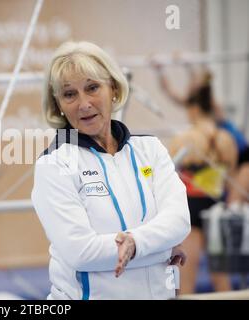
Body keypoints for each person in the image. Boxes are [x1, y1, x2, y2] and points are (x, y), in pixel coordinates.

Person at [31, 41, 191, 300]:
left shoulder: (149, 149)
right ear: (58, 104)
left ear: (114, 89)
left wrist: (137, 244)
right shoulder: (54, 164)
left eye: (92, 88)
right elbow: (81, 253)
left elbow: (179, 221)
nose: (84, 104)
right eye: (69, 94)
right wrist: (161, 248)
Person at [155, 61, 239, 293]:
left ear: (192, 108)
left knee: (186, 284)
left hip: (191, 211)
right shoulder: (226, 138)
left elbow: (165, 177)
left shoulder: (185, 138)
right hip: (217, 207)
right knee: (223, 284)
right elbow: (231, 173)